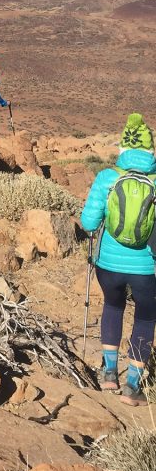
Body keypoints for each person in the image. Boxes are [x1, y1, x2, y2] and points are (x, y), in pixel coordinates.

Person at [81, 113, 156, 406]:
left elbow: (88, 223)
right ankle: (133, 387)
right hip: (146, 268)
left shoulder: (108, 178)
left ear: (122, 149)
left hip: (108, 265)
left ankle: (109, 374)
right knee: (146, 318)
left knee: (113, 306)